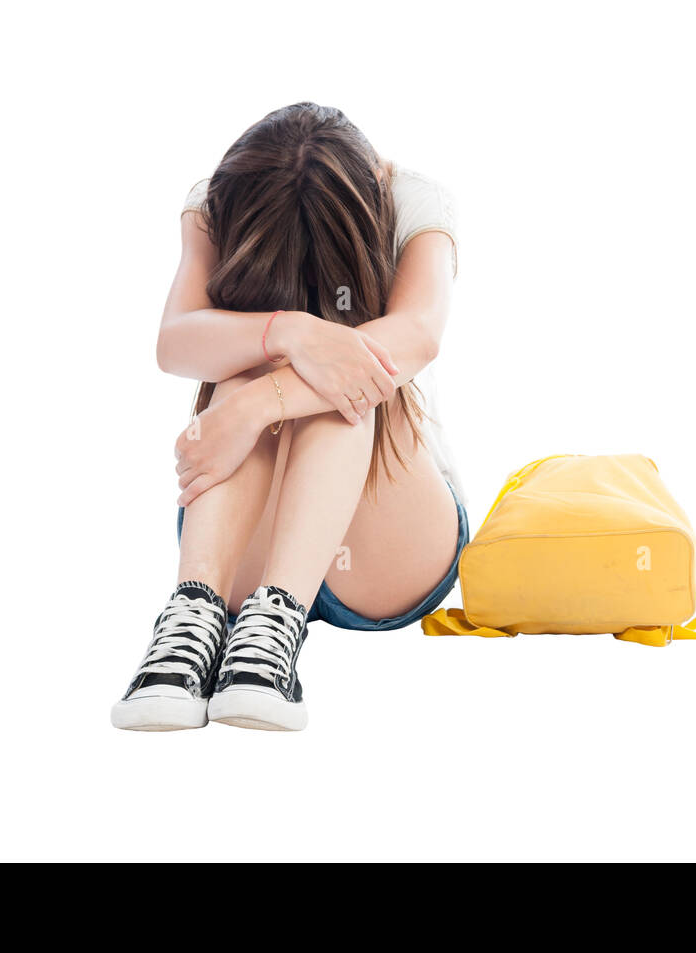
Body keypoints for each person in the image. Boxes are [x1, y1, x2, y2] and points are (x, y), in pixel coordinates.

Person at [111, 103, 466, 733]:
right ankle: (193, 622)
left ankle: (277, 623)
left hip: (385, 542)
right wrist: (291, 332)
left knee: (351, 388)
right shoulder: (216, 202)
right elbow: (175, 340)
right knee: (259, 362)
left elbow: (417, 336)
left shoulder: (413, 200)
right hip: (242, 550)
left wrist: (254, 403)